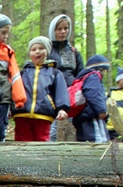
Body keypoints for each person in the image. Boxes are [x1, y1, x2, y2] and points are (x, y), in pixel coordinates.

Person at [12, 36, 69, 142]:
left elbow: (61, 92)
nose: (37, 52)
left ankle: (41, 159)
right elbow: (15, 90)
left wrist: (62, 108)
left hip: (43, 114)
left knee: (42, 141)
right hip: (22, 113)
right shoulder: (23, 73)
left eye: (41, 48)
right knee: (22, 141)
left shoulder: (54, 73)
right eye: (33, 49)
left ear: (47, 52)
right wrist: (11, 108)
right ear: (29, 53)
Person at [0, 14, 26, 142]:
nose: (6, 36)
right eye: (3, 32)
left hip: (3, 98)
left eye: (7, 33)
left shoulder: (7, 51)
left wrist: (19, 99)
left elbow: (15, 75)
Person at [48, 14, 84, 142]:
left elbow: (81, 75)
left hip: (70, 97)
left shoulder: (74, 52)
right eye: (59, 29)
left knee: (71, 130)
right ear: (53, 30)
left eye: (66, 28)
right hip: (51, 95)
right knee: (51, 131)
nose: (63, 32)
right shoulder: (47, 50)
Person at [71, 55, 110, 143]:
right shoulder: (93, 76)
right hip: (91, 115)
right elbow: (93, 93)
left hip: (82, 116)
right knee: (99, 142)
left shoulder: (84, 77)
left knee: (84, 141)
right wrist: (101, 110)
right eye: (105, 70)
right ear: (100, 69)